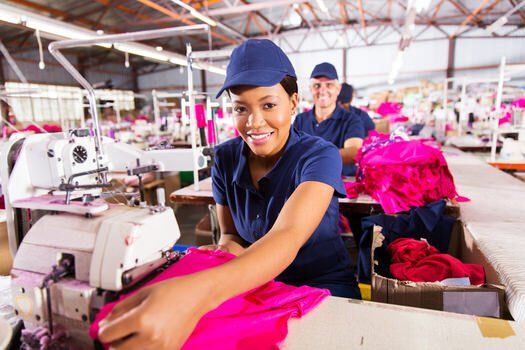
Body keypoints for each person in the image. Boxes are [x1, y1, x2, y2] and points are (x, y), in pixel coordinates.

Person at [98, 39, 360, 349]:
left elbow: (287, 236)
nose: (254, 122)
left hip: (322, 286)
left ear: (292, 102)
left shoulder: (320, 155)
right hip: (256, 284)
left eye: (268, 105)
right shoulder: (224, 158)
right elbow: (232, 237)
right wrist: (198, 271)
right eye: (240, 108)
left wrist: (197, 292)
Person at [293, 62, 365, 176]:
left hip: (342, 184)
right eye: (317, 85)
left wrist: (310, 157)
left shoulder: (351, 120)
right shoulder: (300, 120)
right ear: (310, 89)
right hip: (305, 181)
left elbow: (353, 152)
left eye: (329, 85)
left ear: (338, 89)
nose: (322, 90)